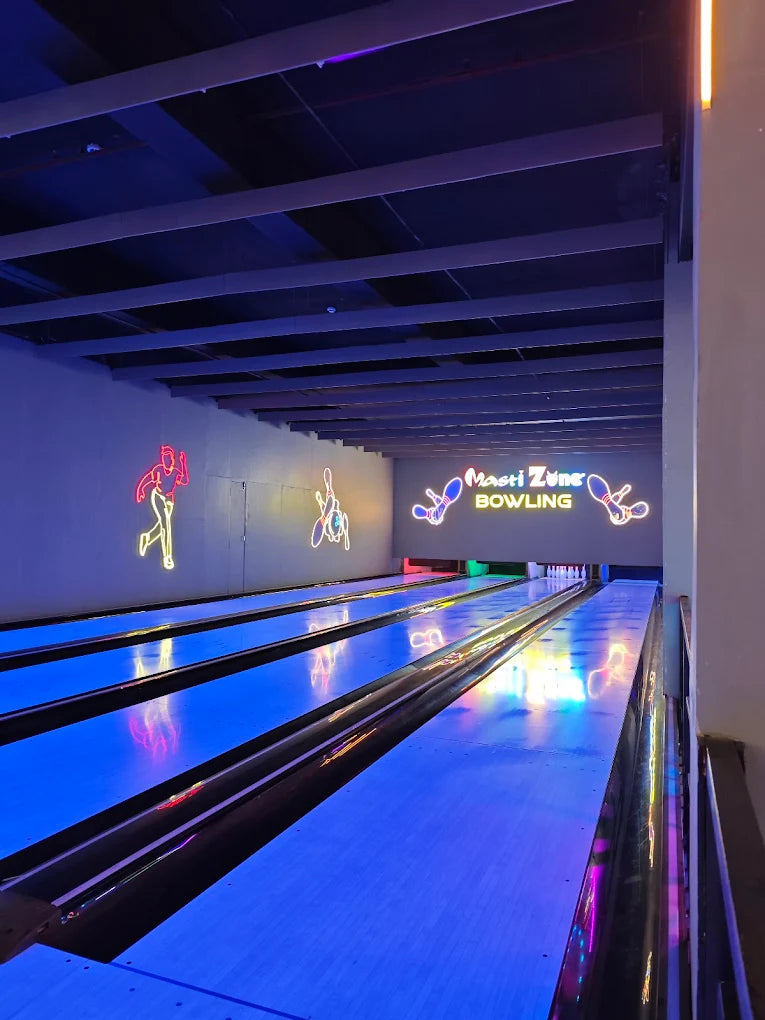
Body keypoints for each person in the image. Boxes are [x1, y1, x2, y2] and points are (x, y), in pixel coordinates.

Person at [136, 445, 189, 570]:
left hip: (169, 501)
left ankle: (147, 538)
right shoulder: (158, 470)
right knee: (165, 524)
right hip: (158, 497)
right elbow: (147, 479)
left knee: (162, 525)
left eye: (168, 458)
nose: (166, 461)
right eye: (164, 459)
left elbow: (185, 480)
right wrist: (140, 490)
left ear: (172, 460)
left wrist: (183, 463)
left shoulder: (175, 472)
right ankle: (167, 557)